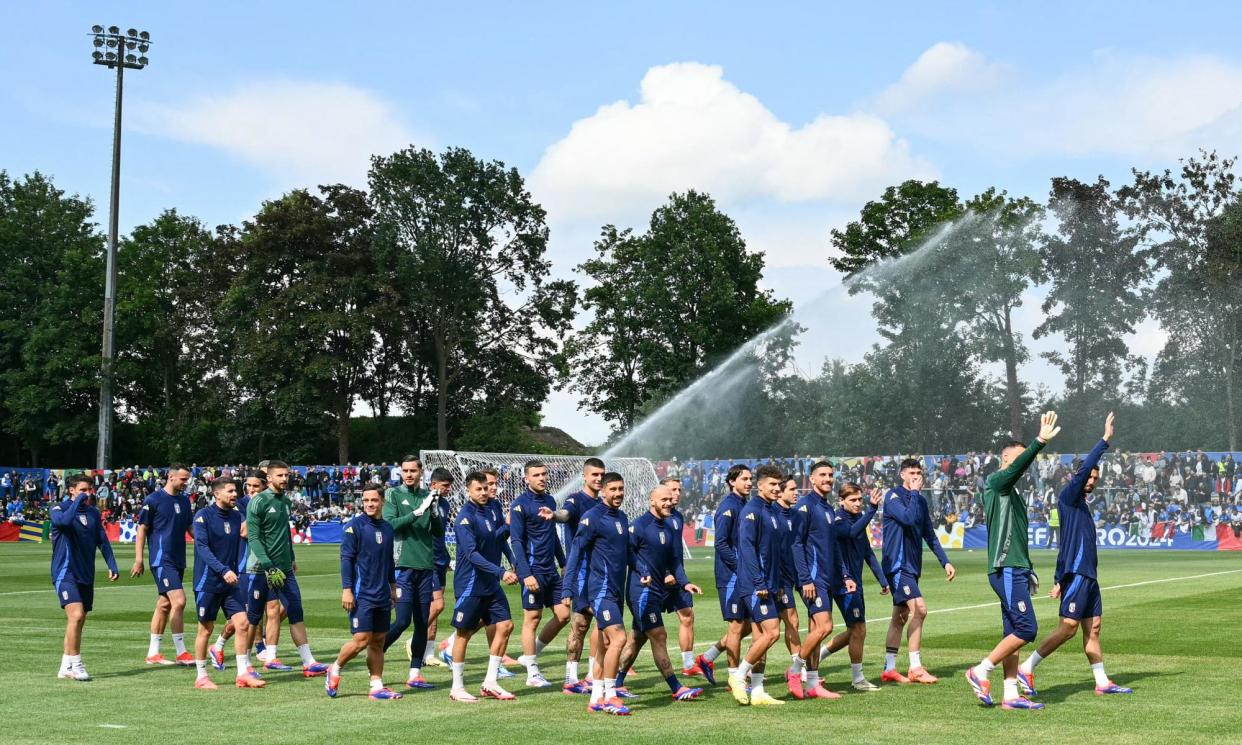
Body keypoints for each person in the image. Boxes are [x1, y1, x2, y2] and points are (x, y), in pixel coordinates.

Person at [1017, 413, 1133, 698]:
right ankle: (1026, 668)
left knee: (1093, 630)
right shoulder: (1068, 497)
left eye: (1095, 478)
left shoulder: (1081, 506)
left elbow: (1065, 546)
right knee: (1068, 628)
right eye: (1089, 476)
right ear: (1079, 476)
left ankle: (1102, 681)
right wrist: (1104, 440)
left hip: (1088, 576)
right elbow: (1083, 473)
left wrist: (1058, 579)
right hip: (1079, 575)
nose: (1092, 481)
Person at [965, 411, 1061, 711]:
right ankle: (980, 671)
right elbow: (1020, 464)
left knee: (1012, 633)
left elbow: (1017, 536)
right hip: (1005, 567)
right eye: (1019, 460)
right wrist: (1039, 442)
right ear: (1006, 460)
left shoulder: (1012, 493)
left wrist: (1028, 569)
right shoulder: (996, 482)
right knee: (1026, 629)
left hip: (1015, 568)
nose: (1024, 466)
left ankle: (1009, 695)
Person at [614, 485, 704, 702]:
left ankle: (616, 683)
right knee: (659, 635)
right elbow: (628, 554)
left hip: (657, 591)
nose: (669, 502)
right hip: (641, 592)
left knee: (637, 638)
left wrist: (685, 583)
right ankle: (676, 687)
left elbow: (674, 561)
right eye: (663, 499)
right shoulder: (639, 526)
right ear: (651, 501)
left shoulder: (670, 527)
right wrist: (643, 571)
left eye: (670, 499)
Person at [243, 461, 329, 677]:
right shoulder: (258, 502)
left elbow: (284, 535)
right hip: (261, 570)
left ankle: (307, 662)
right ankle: (244, 665)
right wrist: (268, 565)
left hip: (283, 569)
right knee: (253, 618)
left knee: (295, 610)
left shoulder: (286, 502)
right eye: (280, 475)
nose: (284, 479)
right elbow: (253, 538)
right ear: (269, 478)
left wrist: (291, 558)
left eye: (286, 475)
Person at [563, 472, 633, 715]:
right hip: (599, 590)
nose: (618, 494)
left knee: (604, 643)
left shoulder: (622, 518)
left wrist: (643, 570)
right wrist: (567, 587)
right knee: (619, 639)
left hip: (616, 590)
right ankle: (611, 695)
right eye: (613, 489)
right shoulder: (592, 517)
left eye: (621, 489)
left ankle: (595, 698)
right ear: (603, 491)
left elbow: (627, 553)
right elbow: (576, 552)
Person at [881, 457, 956, 685]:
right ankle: (915, 667)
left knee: (900, 617)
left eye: (918, 473)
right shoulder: (893, 496)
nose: (916, 476)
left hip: (912, 566)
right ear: (902, 475)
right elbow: (907, 518)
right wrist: (914, 493)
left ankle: (890, 668)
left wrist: (945, 561)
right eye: (911, 473)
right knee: (920, 610)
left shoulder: (920, 501)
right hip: (897, 565)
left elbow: (929, 535)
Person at [447, 471, 519, 702]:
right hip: (470, 585)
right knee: (464, 634)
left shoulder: (493, 507)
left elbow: (499, 538)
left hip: (490, 584)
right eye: (478, 489)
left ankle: (490, 682)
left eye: (486, 488)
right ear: (468, 490)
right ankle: (457, 687)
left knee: (506, 625)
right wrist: (501, 572)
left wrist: (513, 560)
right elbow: (471, 555)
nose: (484, 492)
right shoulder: (465, 518)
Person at [326, 484, 402, 700]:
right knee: (361, 639)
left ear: (382, 502)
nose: (369, 504)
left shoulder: (387, 528)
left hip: (382, 593)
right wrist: (347, 590)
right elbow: (346, 560)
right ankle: (336, 668)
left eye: (374, 500)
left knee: (378, 640)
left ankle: (376, 686)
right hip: (361, 593)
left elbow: (389, 561)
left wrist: (393, 587)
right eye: (366, 500)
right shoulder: (354, 527)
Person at [190, 478, 265, 689]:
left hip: (230, 583)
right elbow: (202, 549)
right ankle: (201, 676)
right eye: (231, 491)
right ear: (217, 494)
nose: (235, 495)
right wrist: (223, 570)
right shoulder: (203, 517)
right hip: (208, 582)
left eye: (235, 491)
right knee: (206, 628)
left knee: (242, 623)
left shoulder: (236, 516)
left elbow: (249, 533)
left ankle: (242, 674)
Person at [788, 461, 852, 699]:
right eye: (822, 475)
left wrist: (845, 575)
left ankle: (813, 684)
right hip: (812, 579)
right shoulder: (805, 507)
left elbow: (834, 547)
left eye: (830, 475)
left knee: (816, 629)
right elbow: (796, 543)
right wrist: (805, 579)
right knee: (825, 626)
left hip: (827, 579)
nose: (828, 478)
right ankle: (795, 671)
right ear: (812, 479)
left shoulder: (827, 509)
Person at [383, 457, 444, 690]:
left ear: (421, 472)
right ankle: (377, 651)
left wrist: (434, 510)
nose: (408, 474)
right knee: (401, 621)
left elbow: (438, 532)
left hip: (425, 566)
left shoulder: (427, 495)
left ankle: (415, 673)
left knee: (421, 623)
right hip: (403, 566)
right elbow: (390, 525)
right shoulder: (394, 495)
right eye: (405, 470)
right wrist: (418, 512)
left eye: (413, 471)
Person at [728, 464, 787, 706]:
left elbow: (774, 552)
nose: (776, 488)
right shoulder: (751, 511)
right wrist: (759, 581)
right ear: (760, 485)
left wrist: (779, 582)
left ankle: (759, 690)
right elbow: (748, 550)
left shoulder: (772, 511)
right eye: (772, 484)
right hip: (755, 584)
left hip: (771, 583)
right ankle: (739, 677)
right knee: (772, 631)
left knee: (761, 636)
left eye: (778, 485)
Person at [821, 482, 888, 691]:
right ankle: (857, 679)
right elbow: (850, 533)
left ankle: (807, 662)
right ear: (841, 501)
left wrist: (882, 579)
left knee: (855, 630)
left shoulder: (859, 518)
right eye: (853, 500)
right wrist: (872, 510)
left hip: (855, 583)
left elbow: (867, 552)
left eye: (860, 499)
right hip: (842, 583)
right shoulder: (838, 520)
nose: (858, 503)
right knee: (858, 629)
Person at [50, 475, 118, 680]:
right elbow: (63, 522)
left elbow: (103, 541)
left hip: (86, 572)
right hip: (65, 571)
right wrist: (77, 502)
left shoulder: (93, 513)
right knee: (76, 615)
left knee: (78, 621)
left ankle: (65, 666)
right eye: (83, 490)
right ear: (71, 490)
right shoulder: (58, 509)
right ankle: (76, 665)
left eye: (89, 490)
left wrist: (112, 564)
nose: (88, 494)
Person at [510, 460, 569, 687]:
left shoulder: (550, 500)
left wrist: (563, 562)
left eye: (544, 474)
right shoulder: (519, 505)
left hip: (551, 570)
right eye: (536, 475)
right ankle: (532, 674)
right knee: (532, 619)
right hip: (533, 571)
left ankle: (529, 655)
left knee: (563, 615)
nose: (542, 478)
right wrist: (526, 574)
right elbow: (516, 541)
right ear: (527, 478)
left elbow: (552, 536)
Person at [696, 464, 754, 686]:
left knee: (752, 624)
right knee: (737, 627)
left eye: (750, 479)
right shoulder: (728, 507)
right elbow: (720, 543)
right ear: (732, 482)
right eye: (744, 479)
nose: (749, 482)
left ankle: (707, 657)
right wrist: (740, 566)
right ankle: (734, 677)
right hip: (731, 576)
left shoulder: (745, 505)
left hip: (745, 575)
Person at [131, 464, 194, 666]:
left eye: (188, 479)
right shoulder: (154, 500)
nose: (186, 483)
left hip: (178, 559)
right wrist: (139, 559)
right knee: (179, 600)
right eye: (183, 479)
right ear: (171, 477)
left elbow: (190, 528)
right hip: (161, 559)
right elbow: (142, 530)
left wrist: (207, 543)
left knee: (165, 604)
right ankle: (181, 651)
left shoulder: (184, 501)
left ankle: (153, 653)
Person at [556, 457, 605, 694]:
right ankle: (571, 678)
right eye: (594, 474)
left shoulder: (605, 504)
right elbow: (565, 515)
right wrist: (554, 516)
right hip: (582, 573)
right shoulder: (575, 499)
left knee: (599, 625)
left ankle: (590, 675)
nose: (598, 479)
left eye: (601, 475)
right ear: (584, 476)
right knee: (581, 624)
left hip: (601, 572)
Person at [661, 477, 702, 678]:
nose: (677, 493)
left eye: (679, 489)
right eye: (672, 490)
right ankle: (625, 663)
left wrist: (681, 578)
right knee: (643, 627)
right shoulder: (653, 519)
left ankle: (688, 664)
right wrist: (665, 573)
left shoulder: (677, 516)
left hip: (678, 579)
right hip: (658, 579)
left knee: (687, 615)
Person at [772, 476, 803, 685]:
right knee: (790, 621)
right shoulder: (772, 514)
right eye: (791, 489)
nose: (796, 492)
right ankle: (796, 669)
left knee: (768, 627)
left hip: (792, 577)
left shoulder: (796, 516)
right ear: (780, 492)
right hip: (778, 579)